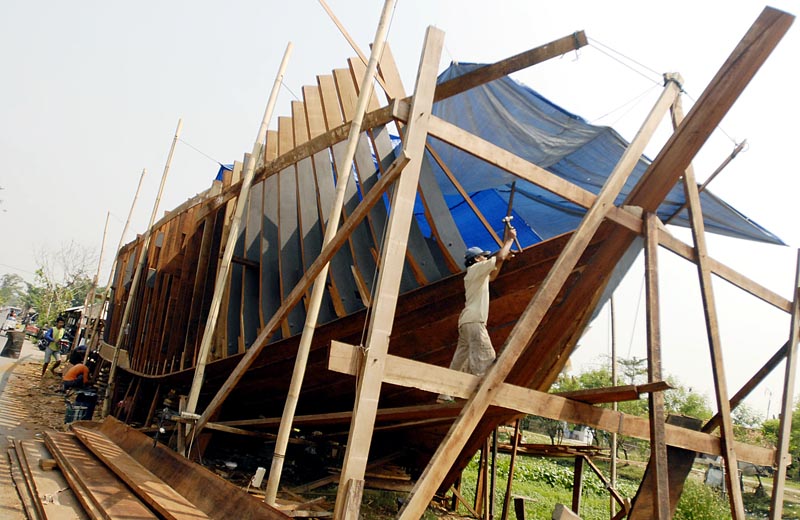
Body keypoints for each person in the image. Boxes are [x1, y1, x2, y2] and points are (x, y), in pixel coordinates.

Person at [439, 227, 516, 402]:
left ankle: (444, 392)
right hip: (474, 321)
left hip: (466, 322)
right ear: (476, 259)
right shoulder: (475, 270)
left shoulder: (475, 275)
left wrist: (502, 259)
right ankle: (481, 396)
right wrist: (510, 240)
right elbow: (500, 256)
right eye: (483, 256)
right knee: (486, 358)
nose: (486, 258)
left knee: (460, 360)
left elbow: (493, 275)